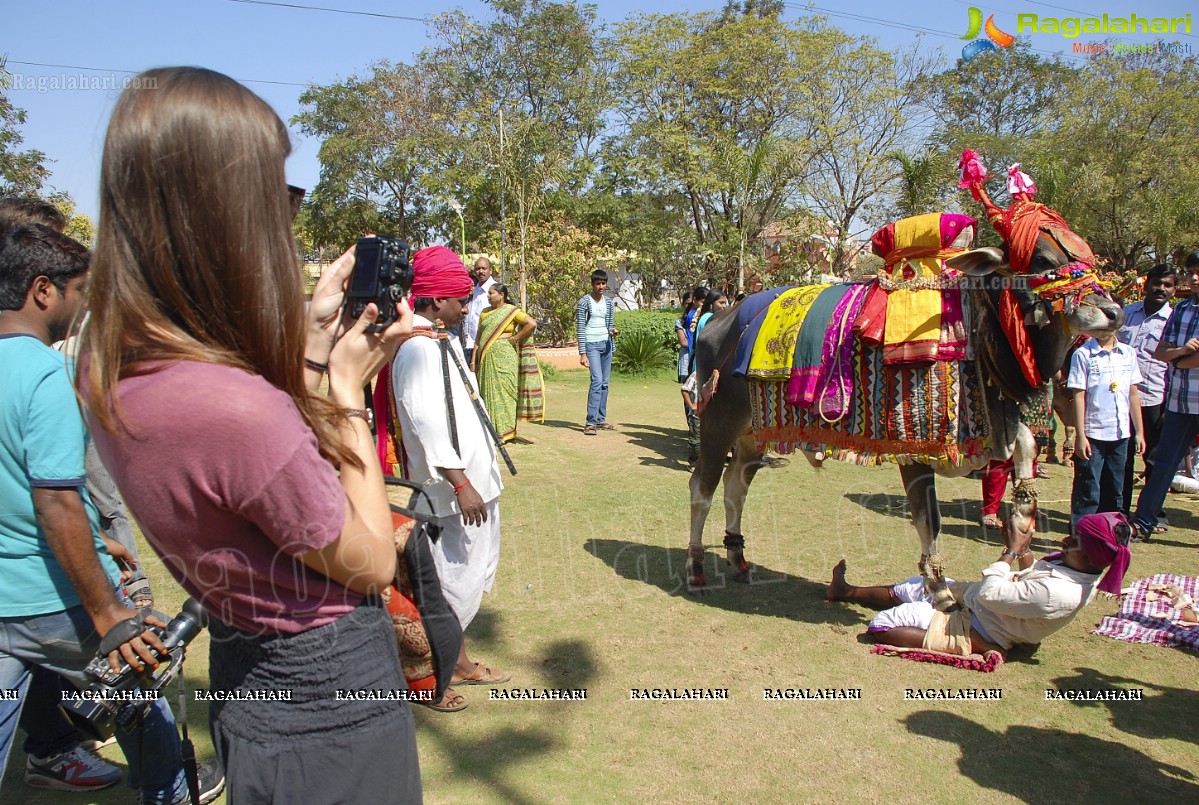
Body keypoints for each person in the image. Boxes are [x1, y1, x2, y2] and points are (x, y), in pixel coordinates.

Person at [78, 67, 418, 803]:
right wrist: (351, 391)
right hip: (327, 694)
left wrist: (314, 346)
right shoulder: (227, 404)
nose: (287, 218)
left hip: (251, 669)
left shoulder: (108, 363)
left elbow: (248, 474)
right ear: (225, 212)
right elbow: (366, 565)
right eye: (279, 193)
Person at [0, 223, 220, 803]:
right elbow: (55, 499)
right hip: (56, 601)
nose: (84, 306)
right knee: (139, 697)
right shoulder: (43, 371)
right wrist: (107, 615)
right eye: (80, 291)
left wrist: (103, 537)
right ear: (43, 290)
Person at [392, 245, 510, 714]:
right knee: (451, 585)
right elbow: (426, 423)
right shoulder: (416, 351)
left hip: (475, 486)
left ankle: (457, 661)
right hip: (452, 494)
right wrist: (461, 484)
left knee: (472, 576)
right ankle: (429, 677)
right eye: (460, 299)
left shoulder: (439, 340)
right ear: (436, 300)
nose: (467, 307)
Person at [827, 512, 1131, 658]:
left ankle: (982, 646)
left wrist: (1010, 552)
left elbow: (991, 594)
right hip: (978, 606)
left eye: (1074, 541)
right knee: (914, 586)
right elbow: (1033, 577)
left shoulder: (1060, 593)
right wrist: (1025, 551)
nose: (1065, 541)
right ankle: (845, 591)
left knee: (880, 626)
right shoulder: (1080, 571)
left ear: (1091, 557)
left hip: (981, 625)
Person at [1132, 251, 1199, 541]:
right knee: (1163, 464)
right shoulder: (1182, 309)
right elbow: (1161, 352)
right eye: (1191, 272)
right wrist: (1183, 353)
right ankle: (1143, 521)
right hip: (1180, 401)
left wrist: (1179, 359)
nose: (1194, 277)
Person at [1068, 325, 1145, 528]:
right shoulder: (1083, 354)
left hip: (1120, 432)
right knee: (1088, 487)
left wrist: (1139, 432)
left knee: (1114, 487)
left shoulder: (1128, 353)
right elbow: (1078, 396)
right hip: (1093, 432)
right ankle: (1081, 536)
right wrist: (1081, 436)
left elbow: (1133, 393)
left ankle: (1107, 533)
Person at [1118, 264, 1175, 531]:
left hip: (1155, 399)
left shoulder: (1174, 321)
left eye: (1167, 285)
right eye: (1157, 283)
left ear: (1174, 289)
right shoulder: (1126, 315)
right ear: (1146, 284)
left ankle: (1153, 513)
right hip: (1121, 397)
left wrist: (1168, 404)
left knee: (1154, 459)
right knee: (1121, 457)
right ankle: (1119, 510)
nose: (1160, 289)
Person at [472, 282, 542, 443]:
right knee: (487, 391)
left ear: (501, 295)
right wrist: (473, 358)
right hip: (486, 357)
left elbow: (531, 323)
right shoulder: (485, 313)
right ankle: (492, 431)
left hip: (505, 357)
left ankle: (507, 432)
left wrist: (515, 338)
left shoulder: (511, 311)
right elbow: (479, 336)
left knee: (506, 392)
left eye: (492, 293)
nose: (489, 296)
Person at [577, 268, 617, 435]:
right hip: (591, 345)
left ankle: (601, 419)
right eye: (598, 283)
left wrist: (612, 331)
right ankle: (590, 422)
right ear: (592, 284)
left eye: (603, 283)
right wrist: (582, 353)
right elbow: (580, 326)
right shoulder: (584, 302)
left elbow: (610, 323)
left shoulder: (608, 302)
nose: (601, 286)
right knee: (597, 381)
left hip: (606, 345)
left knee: (605, 383)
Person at [463, 256, 496, 366]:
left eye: (484, 268)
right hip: (471, 343)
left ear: (490, 270)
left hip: (488, 343)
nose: (481, 271)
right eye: (478, 269)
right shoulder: (476, 288)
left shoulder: (495, 290)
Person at [690, 290, 728, 370]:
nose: (724, 306)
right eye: (721, 303)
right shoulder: (708, 318)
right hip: (704, 366)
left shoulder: (710, 317)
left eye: (725, 303)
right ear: (711, 304)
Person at [675, 291, 693, 384]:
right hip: (686, 360)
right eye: (687, 304)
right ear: (683, 304)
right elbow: (683, 342)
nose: (690, 306)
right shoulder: (680, 322)